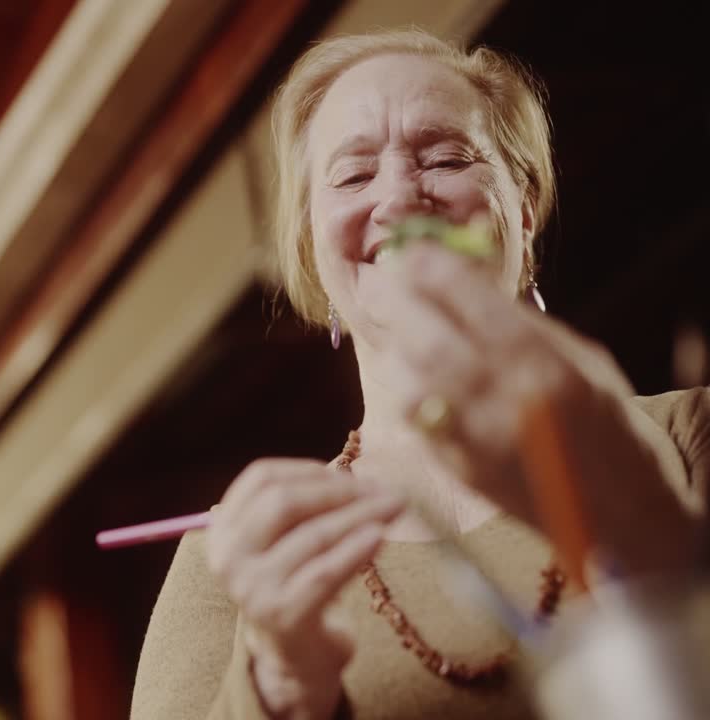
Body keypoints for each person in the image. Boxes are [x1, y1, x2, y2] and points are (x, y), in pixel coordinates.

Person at [130, 28, 709, 720]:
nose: (401, 199)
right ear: (315, 253)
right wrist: (279, 682)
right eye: (352, 174)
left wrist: (651, 532)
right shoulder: (234, 558)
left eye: (445, 158)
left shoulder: (688, 432)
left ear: (522, 215)